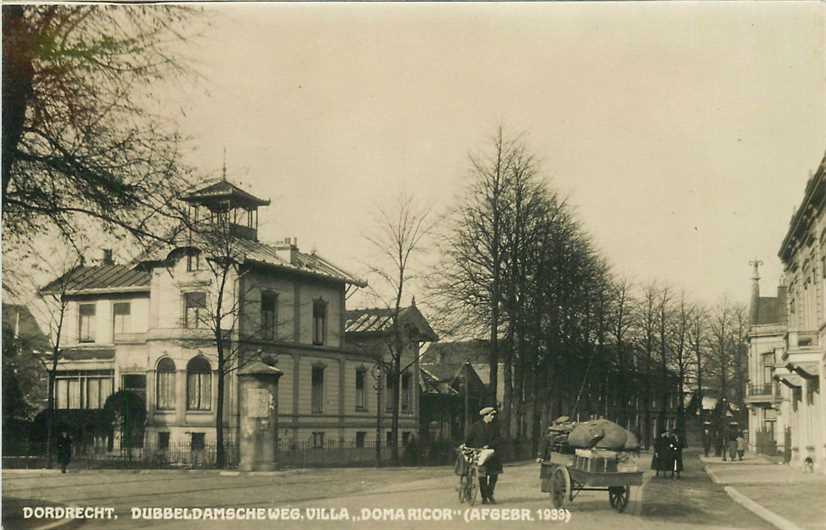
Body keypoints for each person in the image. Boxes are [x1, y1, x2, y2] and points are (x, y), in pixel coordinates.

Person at [465, 406, 503, 504]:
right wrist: (471, 448)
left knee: (494, 476)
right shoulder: (475, 426)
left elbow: (499, 439)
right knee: (482, 476)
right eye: (491, 415)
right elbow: (468, 440)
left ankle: (490, 494)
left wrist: (490, 445)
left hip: (493, 454)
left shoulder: (496, 426)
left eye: (494, 415)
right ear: (485, 416)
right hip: (481, 455)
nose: (493, 417)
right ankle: (484, 497)